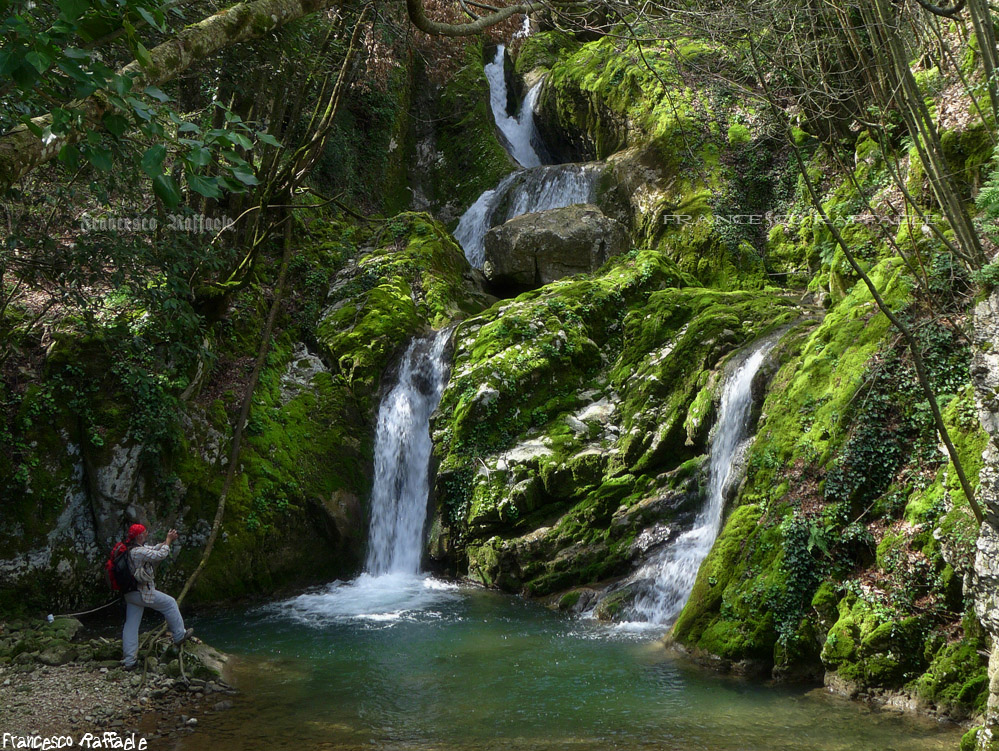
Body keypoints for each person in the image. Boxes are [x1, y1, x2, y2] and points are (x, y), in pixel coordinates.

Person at [121, 523, 193, 670]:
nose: (147, 534)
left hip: (130, 594)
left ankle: (129, 661)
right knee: (170, 603)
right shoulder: (137, 552)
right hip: (142, 593)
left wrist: (165, 542)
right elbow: (160, 555)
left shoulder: (131, 549)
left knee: (131, 625)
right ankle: (179, 635)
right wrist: (168, 540)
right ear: (140, 535)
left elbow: (152, 549)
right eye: (145, 532)